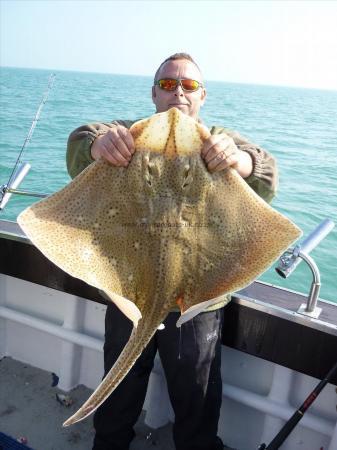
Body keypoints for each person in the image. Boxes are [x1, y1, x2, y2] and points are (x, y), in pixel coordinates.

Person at [66, 53, 278, 450]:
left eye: (188, 85)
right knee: (118, 397)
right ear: (153, 94)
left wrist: (243, 161)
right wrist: (98, 145)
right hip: (129, 292)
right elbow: (80, 141)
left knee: (196, 402)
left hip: (196, 300)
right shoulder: (129, 132)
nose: (177, 92)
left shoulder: (219, 139)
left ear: (202, 96)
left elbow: (267, 176)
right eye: (167, 84)